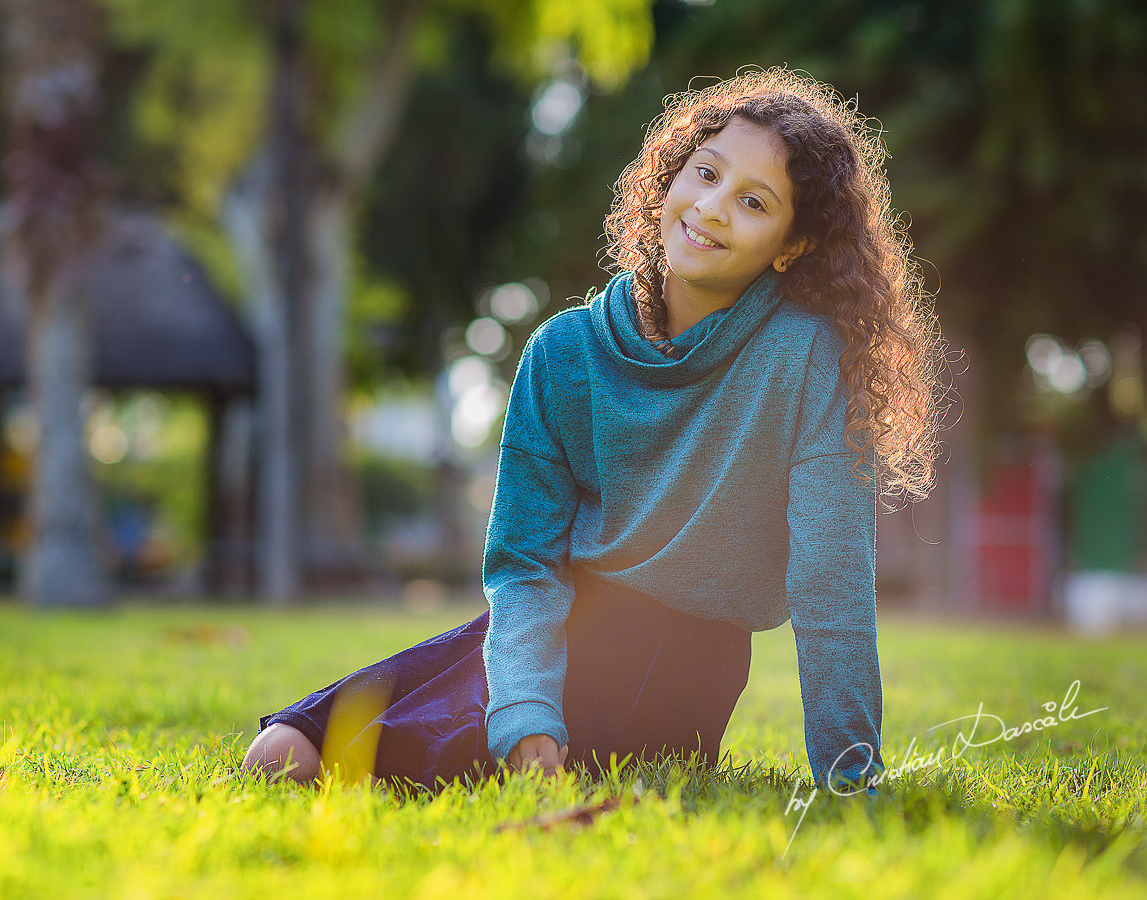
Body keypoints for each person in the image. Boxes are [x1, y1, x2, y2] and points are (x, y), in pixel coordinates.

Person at [243, 67, 945, 792]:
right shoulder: (563, 351)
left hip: (676, 663)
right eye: (704, 173)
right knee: (279, 754)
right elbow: (524, 564)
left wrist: (850, 773)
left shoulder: (807, 358)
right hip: (547, 632)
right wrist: (525, 706)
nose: (710, 208)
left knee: (323, 775)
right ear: (670, 175)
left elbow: (832, 586)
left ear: (790, 247)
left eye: (754, 201)